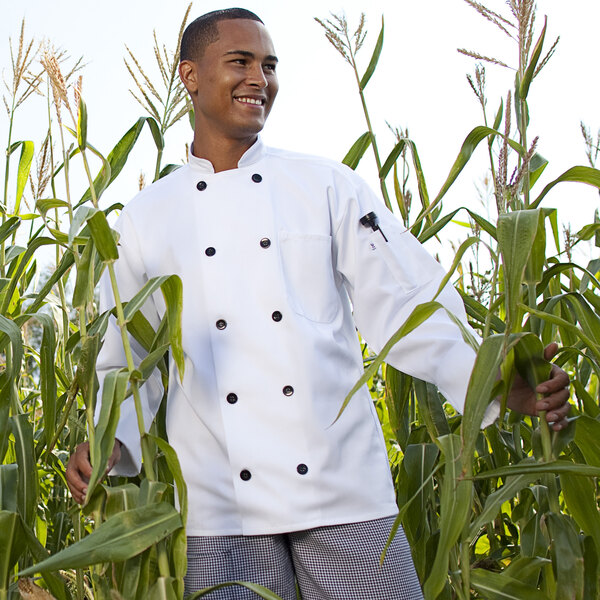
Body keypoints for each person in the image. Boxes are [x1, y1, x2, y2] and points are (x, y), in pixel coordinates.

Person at [66, 8, 571, 599]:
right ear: (189, 76)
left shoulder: (327, 186)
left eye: (270, 65)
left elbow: (407, 301)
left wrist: (490, 379)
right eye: (240, 62)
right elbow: (129, 356)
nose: (261, 78)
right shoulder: (145, 217)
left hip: (342, 493)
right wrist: (110, 442)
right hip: (219, 503)